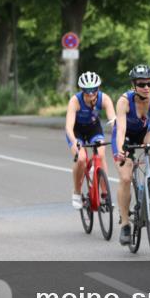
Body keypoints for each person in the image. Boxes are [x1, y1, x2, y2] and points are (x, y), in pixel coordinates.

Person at [112, 64, 150, 246]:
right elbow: (120, 129)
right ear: (133, 85)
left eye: (149, 83)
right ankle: (125, 224)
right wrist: (121, 149)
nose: (146, 87)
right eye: (141, 84)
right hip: (126, 135)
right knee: (126, 177)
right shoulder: (124, 101)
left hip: (145, 131)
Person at [64, 71, 117, 210]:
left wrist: (118, 134)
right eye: (87, 91)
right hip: (77, 131)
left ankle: (105, 195)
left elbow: (113, 121)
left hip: (93, 128)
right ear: (82, 91)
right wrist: (74, 141)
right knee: (81, 158)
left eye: (94, 90)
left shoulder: (104, 99)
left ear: (98, 89)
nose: (91, 94)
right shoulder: (75, 101)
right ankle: (76, 192)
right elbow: (68, 127)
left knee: (101, 153)